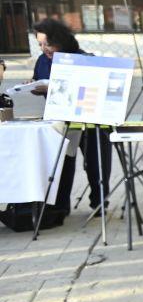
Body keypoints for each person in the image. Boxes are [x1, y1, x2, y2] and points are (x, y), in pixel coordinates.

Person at [31, 18, 112, 212]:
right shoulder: (43, 60)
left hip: (89, 121)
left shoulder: (81, 58)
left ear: (60, 41)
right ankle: (59, 207)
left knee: (95, 163)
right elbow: (38, 79)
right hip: (60, 121)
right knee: (63, 164)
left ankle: (99, 202)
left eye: (48, 44)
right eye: (40, 44)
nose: (44, 49)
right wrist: (34, 85)